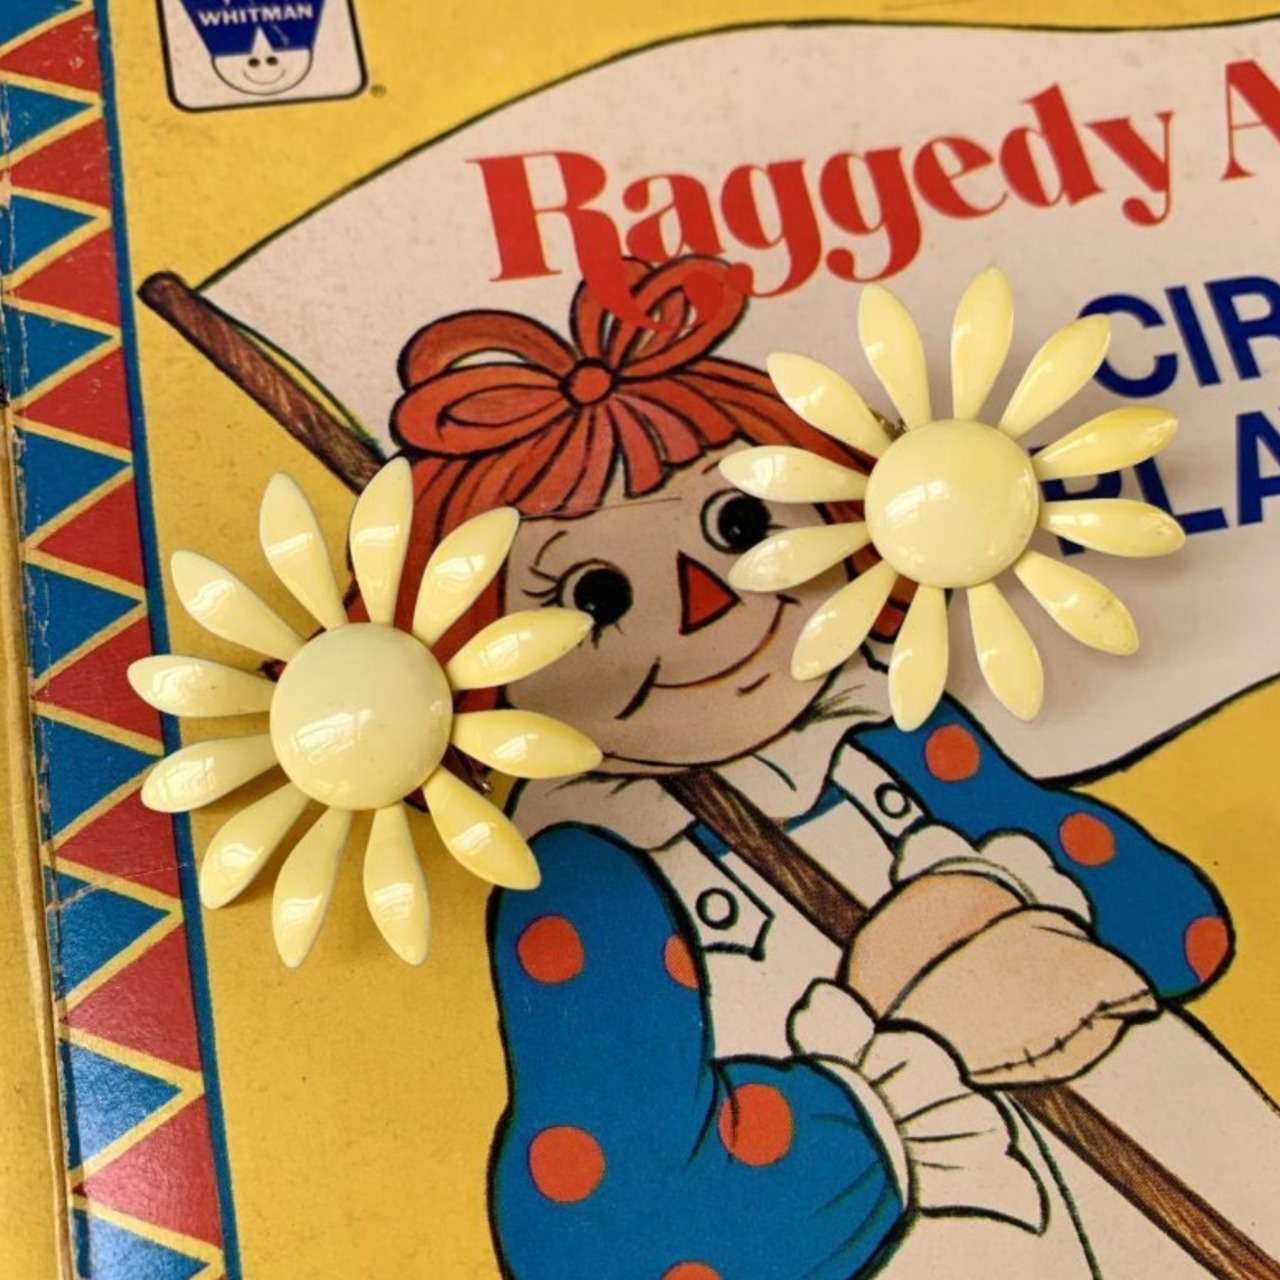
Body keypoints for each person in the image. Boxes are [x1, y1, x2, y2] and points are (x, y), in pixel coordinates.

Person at [386, 257, 1278, 1280]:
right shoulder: (591, 876)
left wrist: (1011, 915)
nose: (705, 602)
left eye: (738, 525)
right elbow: (599, 1240)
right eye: (596, 594)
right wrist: (907, 1067)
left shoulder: (886, 726)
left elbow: (1181, 928)